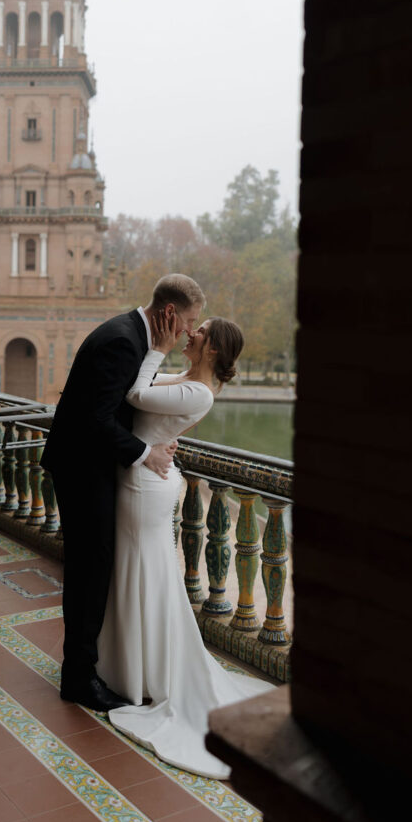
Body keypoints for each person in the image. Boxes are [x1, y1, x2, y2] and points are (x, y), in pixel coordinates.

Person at [95, 312, 275, 777]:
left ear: (212, 348)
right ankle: (133, 668)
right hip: (145, 473)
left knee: (145, 572)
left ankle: (143, 674)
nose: (192, 334)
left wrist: (156, 344)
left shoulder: (197, 390)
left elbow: (137, 393)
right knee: (141, 572)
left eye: (201, 331)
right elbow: (148, 392)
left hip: (144, 487)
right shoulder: (189, 380)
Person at [41, 274, 205, 712]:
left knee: (94, 571)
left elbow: (125, 403)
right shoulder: (122, 341)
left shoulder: (132, 336)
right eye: (189, 321)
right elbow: (95, 419)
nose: (190, 331)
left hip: (92, 467)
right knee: (88, 573)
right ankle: (78, 678)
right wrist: (145, 453)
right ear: (169, 313)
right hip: (82, 471)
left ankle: (90, 665)